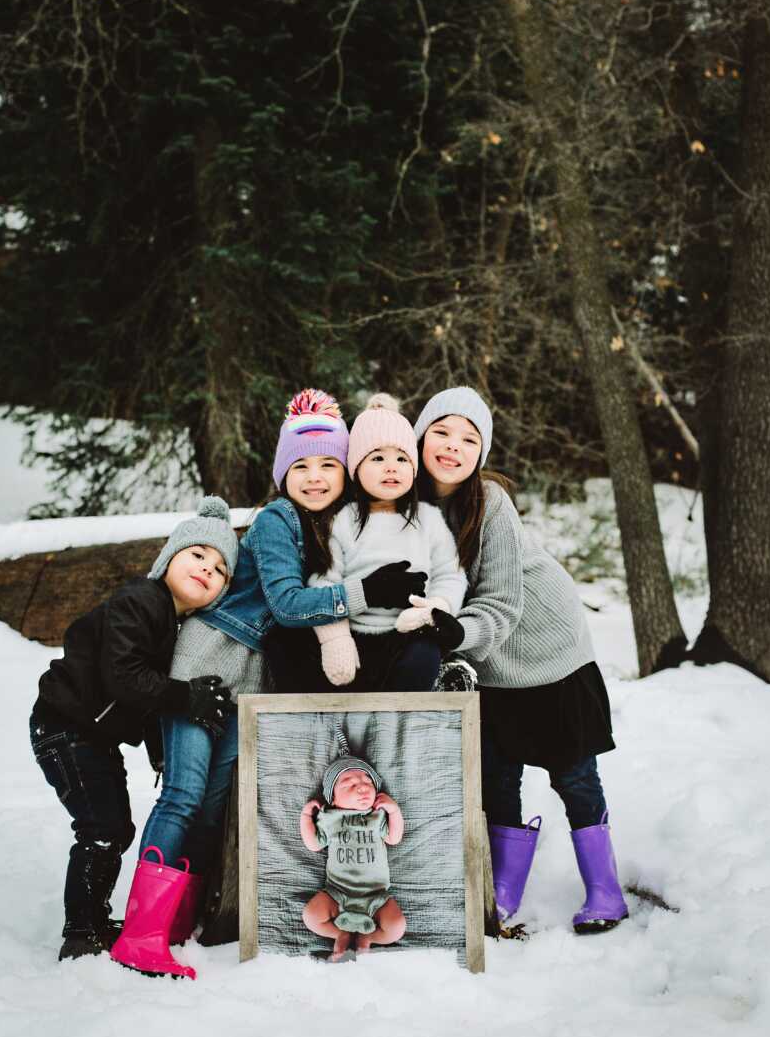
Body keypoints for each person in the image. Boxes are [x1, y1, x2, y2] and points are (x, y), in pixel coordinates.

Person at [112, 388, 425, 978]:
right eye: (300, 467)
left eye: (328, 465)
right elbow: (283, 602)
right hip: (209, 659)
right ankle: (141, 933)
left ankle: (177, 925)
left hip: (250, 680)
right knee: (182, 793)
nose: (314, 477)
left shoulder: (336, 522)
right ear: (283, 474)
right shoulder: (280, 518)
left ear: (347, 470)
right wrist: (363, 594)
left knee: (212, 807)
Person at [412, 386, 628, 935]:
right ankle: (502, 890)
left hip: (545, 646)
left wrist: (453, 636)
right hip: (485, 661)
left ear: (480, 453)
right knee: (496, 773)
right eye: (441, 431)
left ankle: (605, 890)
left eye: (469, 438)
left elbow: (503, 600)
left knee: (573, 771)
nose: (452, 446)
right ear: (419, 437)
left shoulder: (490, 501)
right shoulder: (405, 501)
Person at [29, 497, 239, 963]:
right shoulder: (141, 601)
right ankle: (81, 931)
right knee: (101, 826)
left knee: (115, 826)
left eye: (221, 569)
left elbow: (144, 702)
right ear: (168, 559)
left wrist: (161, 751)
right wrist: (187, 697)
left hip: (92, 735)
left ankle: (95, 918)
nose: (207, 568)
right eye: (197, 554)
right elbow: (124, 676)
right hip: (64, 726)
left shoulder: (172, 625)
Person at [305, 394, 468, 692]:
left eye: (401, 458)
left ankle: (404, 729)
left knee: (424, 658)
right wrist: (335, 638)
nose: (391, 467)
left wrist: (436, 606)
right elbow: (323, 582)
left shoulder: (428, 519)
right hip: (353, 634)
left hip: (408, 632)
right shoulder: (342, 520)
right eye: (378, 458)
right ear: (355, 467)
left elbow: (450, 573)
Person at [300, 734, 405, 961]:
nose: (362, 788)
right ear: (333, 800)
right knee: (310, 916)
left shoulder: (378, 816)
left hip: (376, 896)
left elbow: (394, 839)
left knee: (396, 927)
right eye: (350, 784)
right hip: (337, 893)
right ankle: (341, 934)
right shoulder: (330, 818)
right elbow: (314, 844)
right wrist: (306, 816)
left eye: (368, 783)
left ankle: (369, 938)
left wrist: (394, 811)